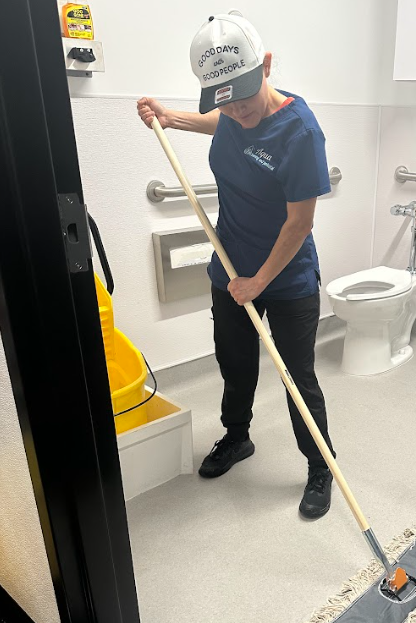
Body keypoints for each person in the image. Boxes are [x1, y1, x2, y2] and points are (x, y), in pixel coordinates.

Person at [137, 14, 336, 519]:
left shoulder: (301, 132)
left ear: (265, 67)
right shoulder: (230, 111)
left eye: (246, 104)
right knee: (236, 364)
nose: (240, 115)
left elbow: (300, 222)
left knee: (298, 377)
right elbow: (221, 122)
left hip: (285, 278)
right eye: (228, 106)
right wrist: (172, 118)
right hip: (229, 266)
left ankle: (320, 466)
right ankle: (237, 437)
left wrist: (259, 281)